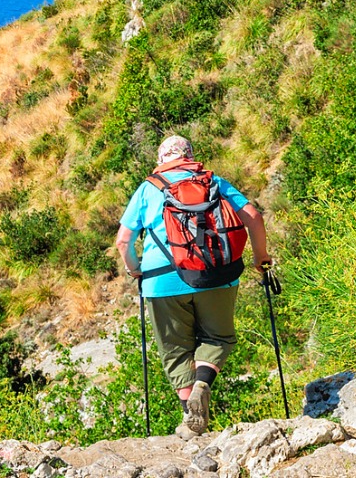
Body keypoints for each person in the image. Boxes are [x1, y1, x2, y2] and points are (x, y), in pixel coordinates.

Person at [116, 135, 270, 438]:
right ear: (190, 156)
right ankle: (203, 383)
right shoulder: (214, 182)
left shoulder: (149, 188)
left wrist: (136, 270)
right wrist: (261, 259)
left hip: (162, 280)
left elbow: (123, 241)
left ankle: (191, 420)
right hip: (218, 274)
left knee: (175, 349)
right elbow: (253, 217)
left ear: (162, 160)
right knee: (218, 337)